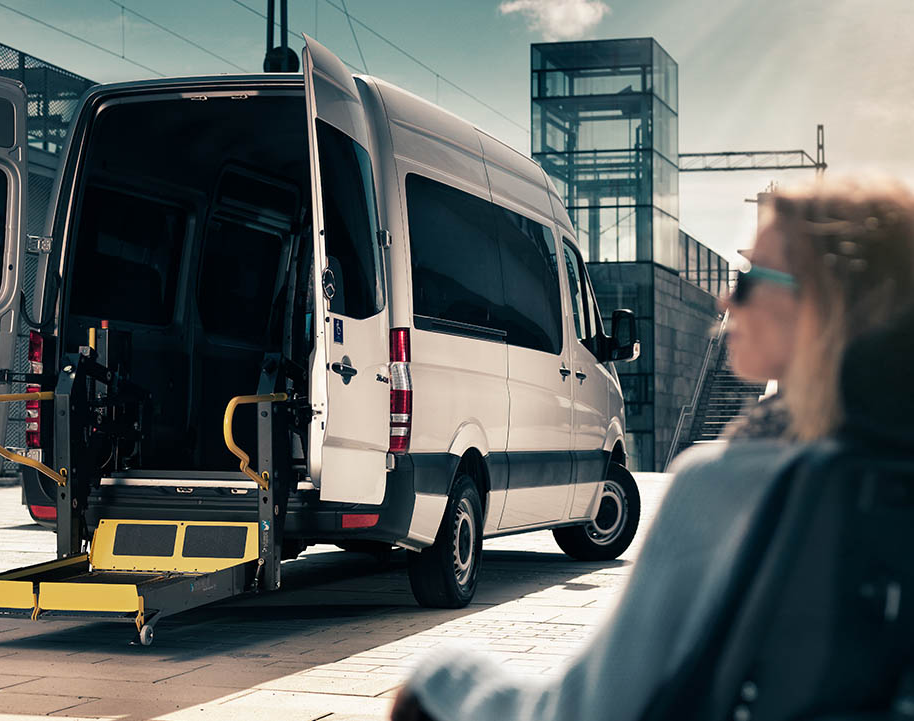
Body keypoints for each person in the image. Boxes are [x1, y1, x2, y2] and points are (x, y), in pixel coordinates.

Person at [390, 177, 914, 721]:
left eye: (751, 278)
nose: (727, 297)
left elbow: (590, 712)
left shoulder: (729, 483)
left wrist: (446, 678)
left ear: (821, 304)